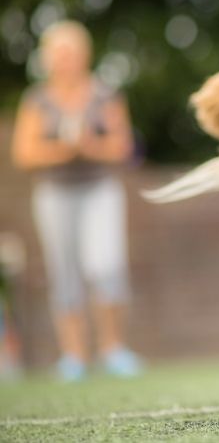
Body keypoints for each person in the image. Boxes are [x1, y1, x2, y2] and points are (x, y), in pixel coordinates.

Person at [10, 21, 141, 381]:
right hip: (55, 194)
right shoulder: (37, 99)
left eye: (71, 52)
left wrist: (89, 148)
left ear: (84, 55)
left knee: (107, 267)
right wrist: (64, 151)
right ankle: (74, 356)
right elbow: (24, 153)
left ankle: (114, 349)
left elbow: (122, 147)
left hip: (100, 190)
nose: (64, 60)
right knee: (64, 273)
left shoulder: (104, 94)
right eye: (58, 53)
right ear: (48, 58)